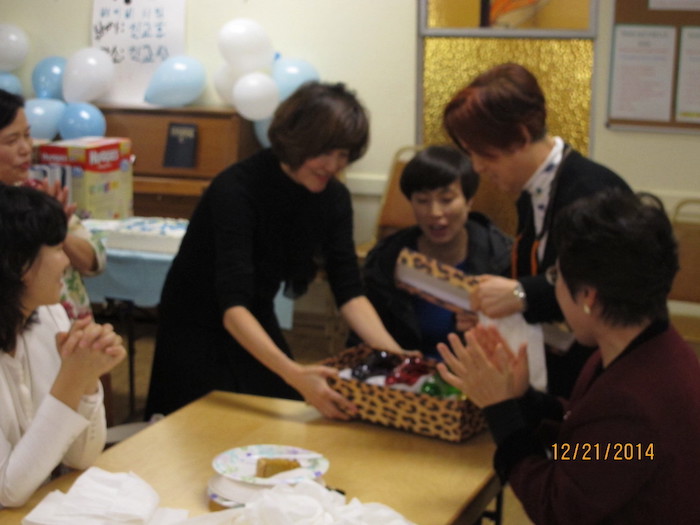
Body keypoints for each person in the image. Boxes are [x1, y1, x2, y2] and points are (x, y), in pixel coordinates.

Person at [145, 82, 407, 420]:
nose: (333, 165)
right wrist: (295, 373)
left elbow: (350, 292)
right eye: (324, 152)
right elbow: (232, 304)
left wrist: (399, 358)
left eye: (343, 155)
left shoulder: (333, 198)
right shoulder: (236, 189)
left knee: (277, 413)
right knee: (200, 425)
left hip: (253, 313)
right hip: (196, 321)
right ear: (297, 140)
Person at [437, 190, 700, 523]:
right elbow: (591, 443)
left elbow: (556, 508)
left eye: (555, 277)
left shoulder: (634, 403)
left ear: (589, 297)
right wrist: (522, 399)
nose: (555, 287)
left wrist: (500, 410)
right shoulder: (648, 346)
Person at [443, 62, 631, 397]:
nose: (477, 167)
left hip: (605, 373)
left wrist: (521, 295)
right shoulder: (535, 189)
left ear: (521, 136)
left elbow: (603, 289)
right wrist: (491, 307)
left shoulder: (592, 189)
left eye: (482, 153)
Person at [0, 184, 126, 508]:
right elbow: (7, 490)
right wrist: (73, 377)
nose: (67, 262)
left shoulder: (48, 315)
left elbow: (81, 456)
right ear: (18, 263)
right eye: (57, 249)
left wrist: (87, 377)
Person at [358, 145, 512, 358]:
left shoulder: (502, 256)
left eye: (446, 200)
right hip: (405, 373)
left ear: (469, 201)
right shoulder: (387, 258)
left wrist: (491, 327)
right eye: (422, 201)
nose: (435, 212)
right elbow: (362, 342)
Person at [0, 88, 106, 320]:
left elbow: (95, 261)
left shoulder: (38, 193)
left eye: (27, 135)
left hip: (69, 326)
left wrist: (56, 229)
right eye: (12, 141)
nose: (25, 148)